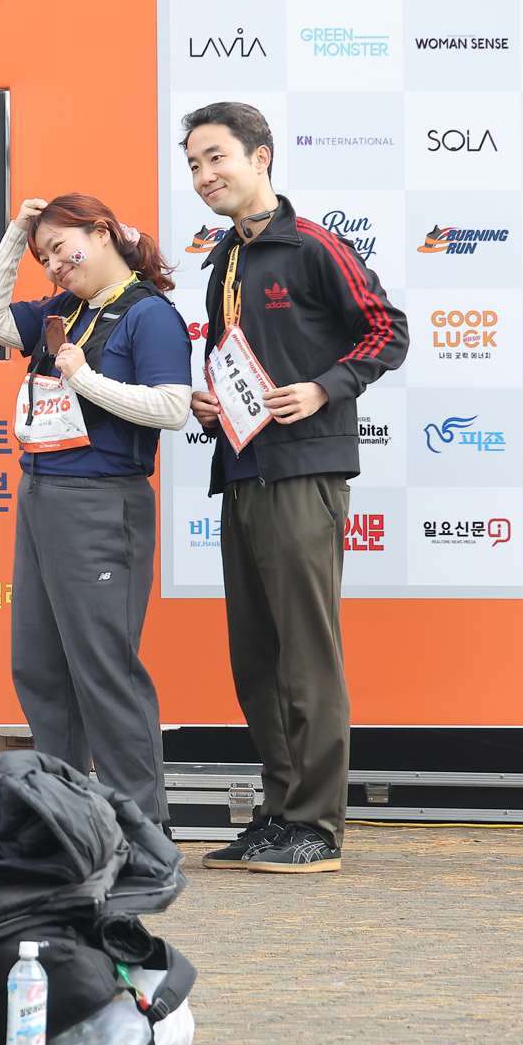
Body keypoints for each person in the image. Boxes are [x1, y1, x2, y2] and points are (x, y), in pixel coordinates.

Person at [182, 101, 407, 874]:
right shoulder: (225, 259)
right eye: (193, 165)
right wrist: (212, 402)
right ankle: (279, 817)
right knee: (258, 658)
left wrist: (323, 388)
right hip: (241, 470)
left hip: (303, 470)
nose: (205, 176)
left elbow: (388, 330)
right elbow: (238, 352)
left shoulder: (312, 244)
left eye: (217, 158)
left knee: (306, 655)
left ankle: (317, 824)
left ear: (261, 157)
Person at [0, 194, 192, 827]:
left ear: (104, 233)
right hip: (41, 495)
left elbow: (172, 409)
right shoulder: (64, 311)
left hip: (101, 503)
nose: (56, 267)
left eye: (64, 249)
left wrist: (83, 377)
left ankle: (142, 829)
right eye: (45, 259)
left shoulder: (149, 314)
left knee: (102, 670)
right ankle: (68, 826)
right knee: (39, 666)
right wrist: (18, 234)